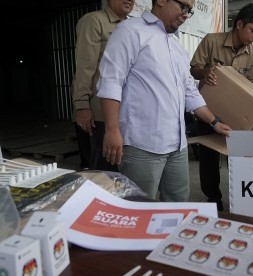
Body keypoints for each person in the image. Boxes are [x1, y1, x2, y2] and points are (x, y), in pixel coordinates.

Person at [96, 0, 231, 202]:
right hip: (142, 145)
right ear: (161, 1)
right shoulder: (130, 32)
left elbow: (190, 93)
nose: (186, 14)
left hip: (177, 146)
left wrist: (214, 122)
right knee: (140, 207)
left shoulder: (177, 49)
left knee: (178, 206)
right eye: (183, 7)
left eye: (190, 11)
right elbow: (110, 81)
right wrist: (112, 130)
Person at [189, 3, 253, 211]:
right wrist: (206, 72)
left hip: (238, 114)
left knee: (240, 155)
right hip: (209, 112)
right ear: (239, 24)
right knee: (209, 158)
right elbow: (193, 69)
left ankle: (242, 196)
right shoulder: (211, 41)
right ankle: (213, 198)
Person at [71, 0, 135, 170]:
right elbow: (85, 66)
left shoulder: (132, 26)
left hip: (125, 111)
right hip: (99, 113)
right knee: (103, 169)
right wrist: (82, 105)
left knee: (122, 169)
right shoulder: (94, 20)